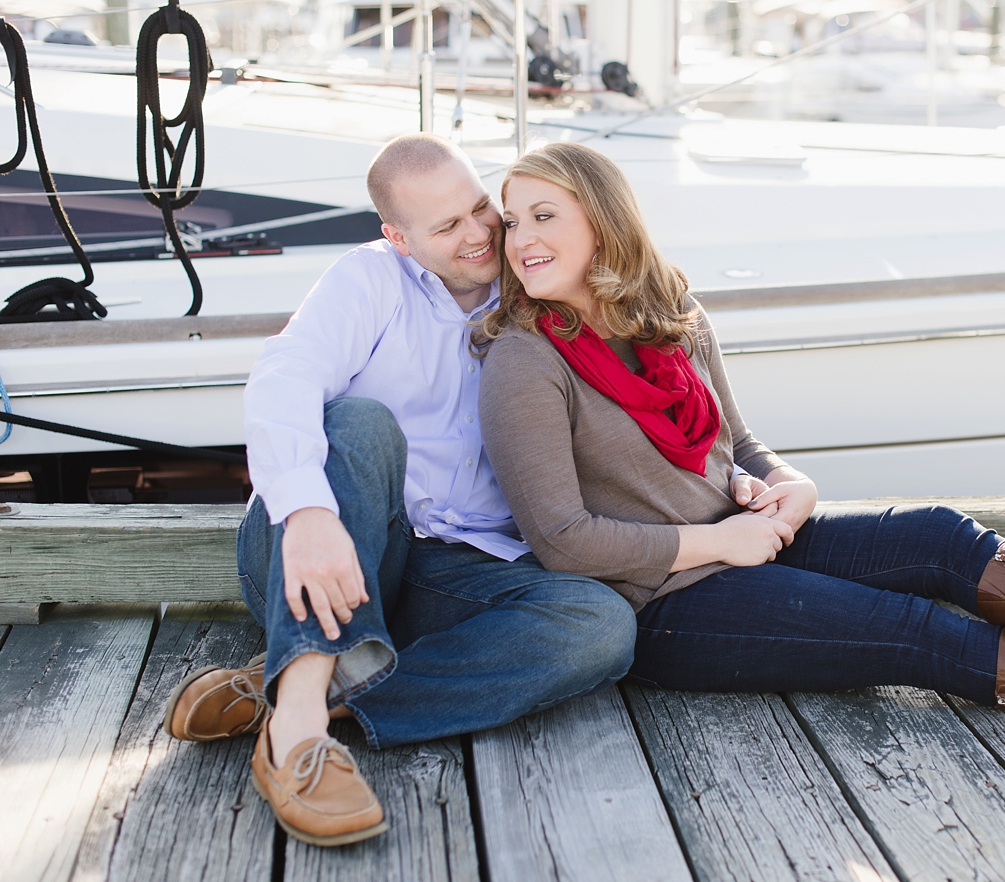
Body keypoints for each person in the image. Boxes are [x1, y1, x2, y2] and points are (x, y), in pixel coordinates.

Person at [475, 141, 1005, 727]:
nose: (522, 240)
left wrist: (789, 486)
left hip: (747, 540)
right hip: (665, 604)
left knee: (940, 537)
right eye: (513, 222)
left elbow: (742, 445)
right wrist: (721, 546)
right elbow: (561, 541)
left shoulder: (672, 318)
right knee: (911, 630)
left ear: (603, 221)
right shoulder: (525, 361)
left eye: (543, 214)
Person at [159, 134, 650, 848]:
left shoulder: (533, 284)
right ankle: (294, 732)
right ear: (398, 237)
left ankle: (319, 682)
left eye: (481, 208)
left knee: (600, 626)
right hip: (323, 546)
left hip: (452, 566)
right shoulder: (368, 280)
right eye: (447, 227)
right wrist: (305, 512)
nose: (481, 233)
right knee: (358, 424)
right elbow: (285, 375)